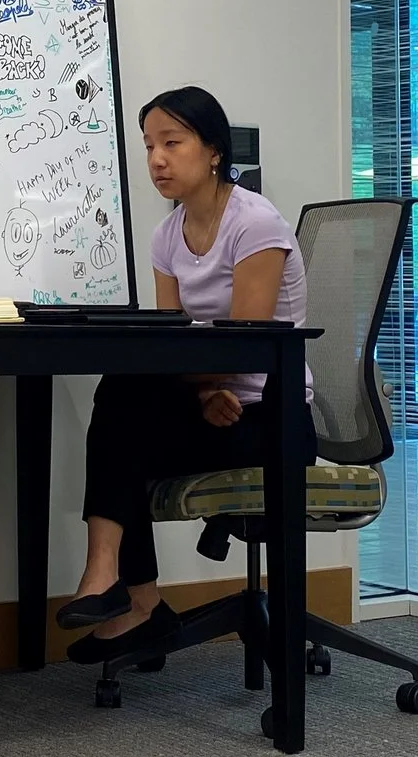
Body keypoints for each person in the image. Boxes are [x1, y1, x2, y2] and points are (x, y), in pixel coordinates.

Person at [57, 85, 312, 661]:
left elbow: (249, 349)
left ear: (214, 150)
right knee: (123, 400)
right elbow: (168, 344)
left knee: (124, 404)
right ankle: (121, 588)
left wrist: (205, 384)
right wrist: (202, 392)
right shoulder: (166, 236)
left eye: (172, 143)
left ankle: (129, 596)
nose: (157, 159)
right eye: (149, 146)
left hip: (273, 417)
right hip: (212, 406)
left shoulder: (256, 223)